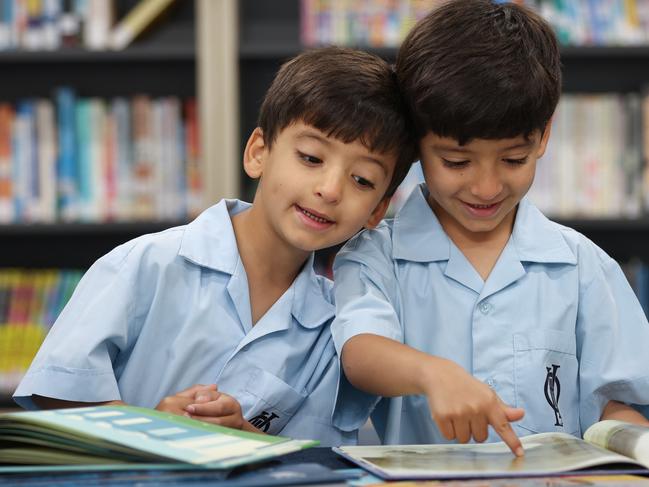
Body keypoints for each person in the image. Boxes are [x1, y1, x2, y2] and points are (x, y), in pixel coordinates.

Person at [13, 47, 416, 446]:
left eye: (362, 180)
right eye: (311, 157)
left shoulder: (339, 328)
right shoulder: (145, 264)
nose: (329, 190)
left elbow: (312, 456)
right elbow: (57, 395)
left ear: (377, 210)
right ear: (258, 153)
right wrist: (147, 427)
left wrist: (244, 436)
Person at [331, 0, 649, 456]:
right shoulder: (375, 256)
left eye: (513, 159)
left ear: (544, 136)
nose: (486, 187)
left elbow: (615, 406)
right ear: (416, 143)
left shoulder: (583, 265)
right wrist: (432, 374)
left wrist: (633, 443)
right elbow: (361, 351)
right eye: (456, 162)